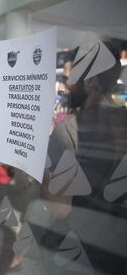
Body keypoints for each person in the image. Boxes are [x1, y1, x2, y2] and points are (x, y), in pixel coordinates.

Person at [40, 40, 127, 274]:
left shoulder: (68, 130)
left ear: (91, 82)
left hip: (83, 253)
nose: (68, 84)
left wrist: (36, 170)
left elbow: (60, 209)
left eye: (72, 75)